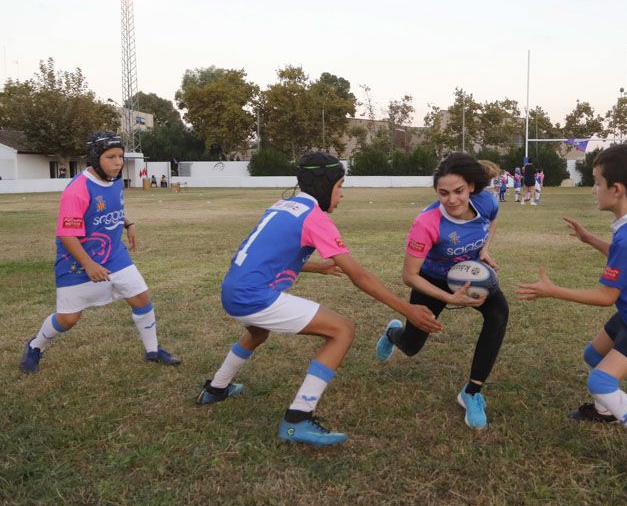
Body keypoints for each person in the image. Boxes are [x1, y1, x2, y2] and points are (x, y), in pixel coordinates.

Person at [196, 152, 443, 446]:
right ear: (325, 185)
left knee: (257, 331)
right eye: (340, 186)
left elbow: (268, 255)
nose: (342, 194)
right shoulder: (315, 218)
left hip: (233, 291)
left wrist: (317, 267)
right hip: (254, 297)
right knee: (343, 329)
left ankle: (216, 387)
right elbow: (359, 276)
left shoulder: (281, 206)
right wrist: (407, 309)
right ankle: (298, 418)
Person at [517, 144, 627, 489]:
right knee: (592, 355)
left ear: (616, 189)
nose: (593, 189)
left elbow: (607, 296)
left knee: (601, 381)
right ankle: (606, 410)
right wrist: (590, 238)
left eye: (596, 182)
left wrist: (553, 290)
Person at [20, 131, 181, 374]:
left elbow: (106, 209)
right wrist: (88, 264)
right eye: (111, 157)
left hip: (114, 254)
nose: (118, 163)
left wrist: (128, 223)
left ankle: (153, 350)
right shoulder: (78, 189)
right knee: (68, 319)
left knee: (141, 298)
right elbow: (67, 234)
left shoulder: (114, 180)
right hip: (77, 261)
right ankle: (35, 346)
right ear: (95, 158)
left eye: (120, 156)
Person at [374, 153, 509, 430]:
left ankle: (471, 392)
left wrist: (484, 249)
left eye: (458, 191)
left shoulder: (486, 202)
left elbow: (493, 220)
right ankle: (392, 332)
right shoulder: (426, 223)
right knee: (411, 347)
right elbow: (409, 276)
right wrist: (449, 298)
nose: (452, 200)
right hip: (432, 281)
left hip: (470, 275)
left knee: (498, 315)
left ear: (471, 186)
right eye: (443, 193)